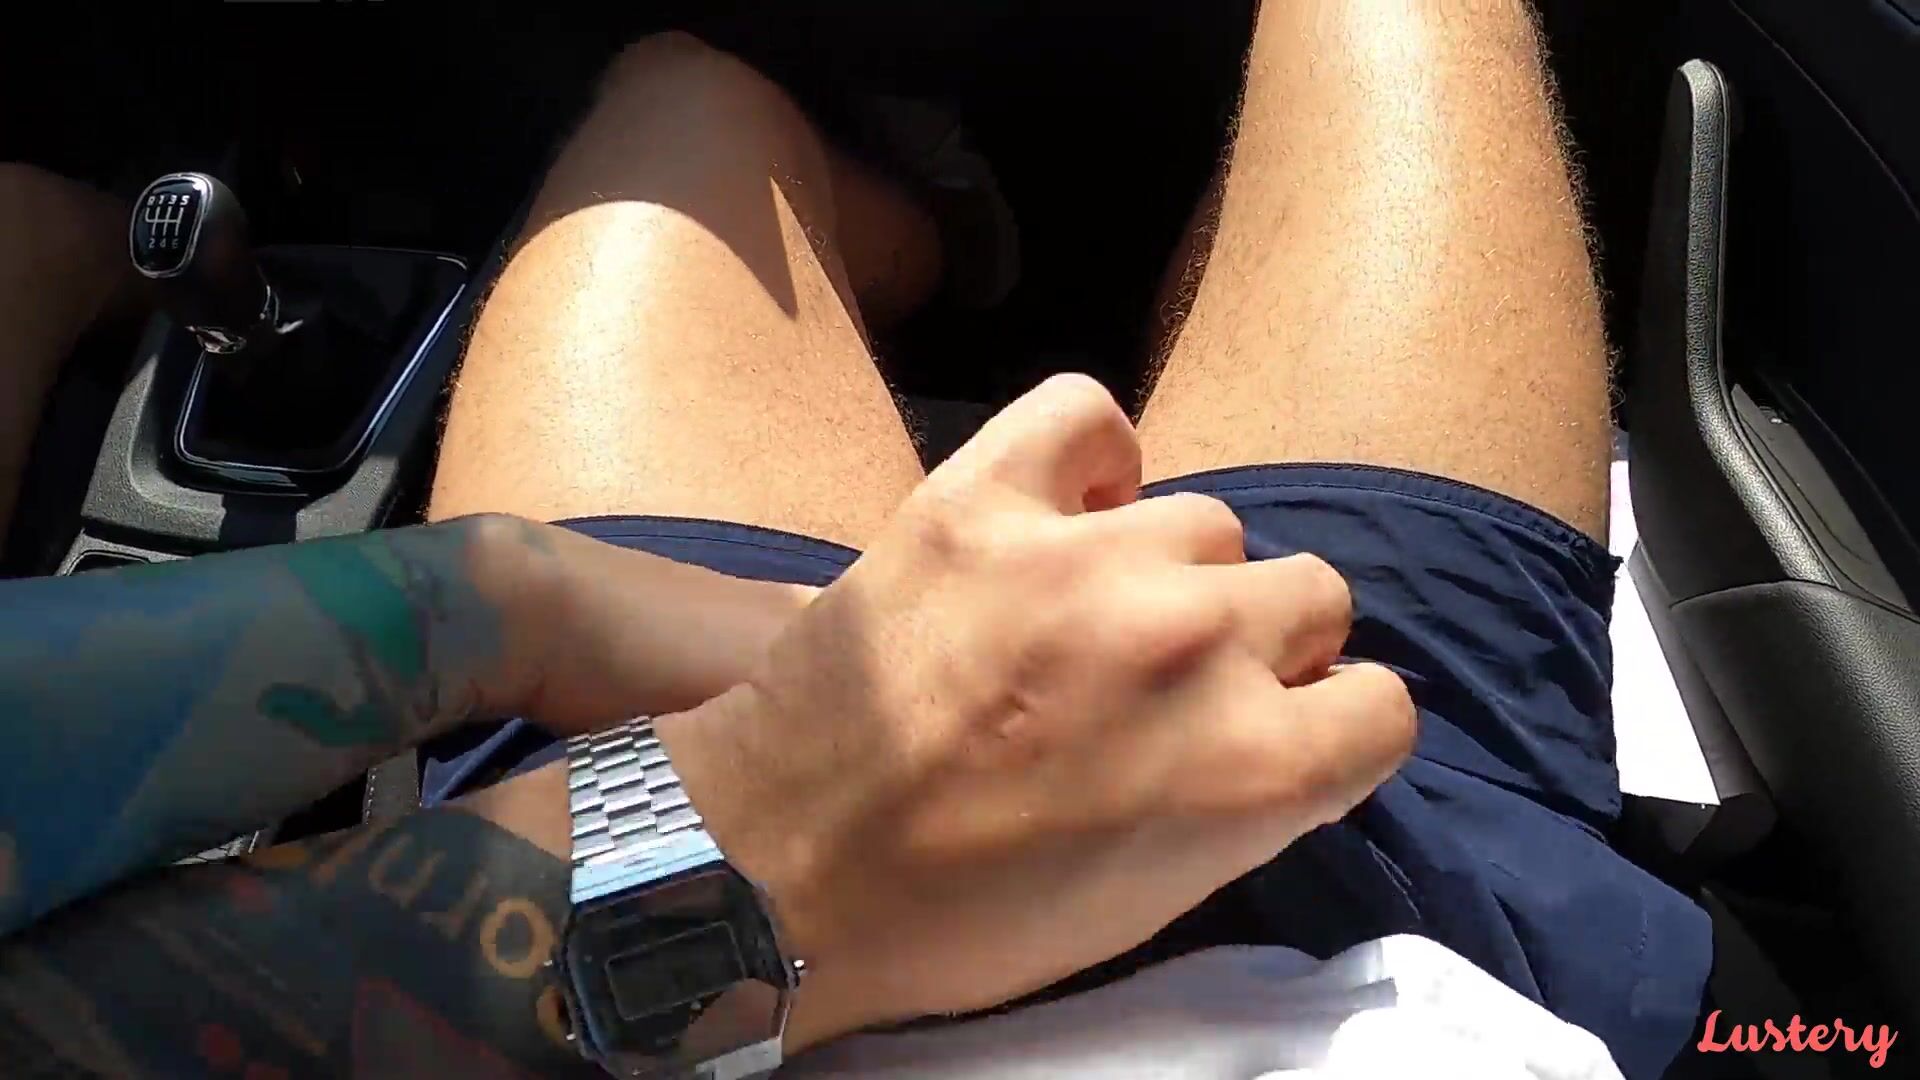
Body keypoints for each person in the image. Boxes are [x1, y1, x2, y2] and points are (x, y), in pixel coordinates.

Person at [0, 3, 1714, 1078]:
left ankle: (929, 235)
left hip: (629, 817)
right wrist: (773, 847)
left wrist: (511, 613)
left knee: (685, 95)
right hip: (1387, 964)